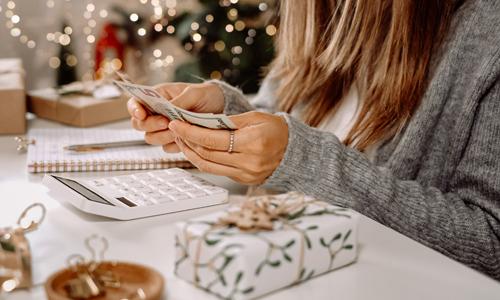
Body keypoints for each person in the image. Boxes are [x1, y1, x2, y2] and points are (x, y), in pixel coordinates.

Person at [128, 0, 500, 280]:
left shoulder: (486, 35)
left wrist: (303, 161)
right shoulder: (318, 15)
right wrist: (226, 112)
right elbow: (279, 119)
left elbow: (491, 244)